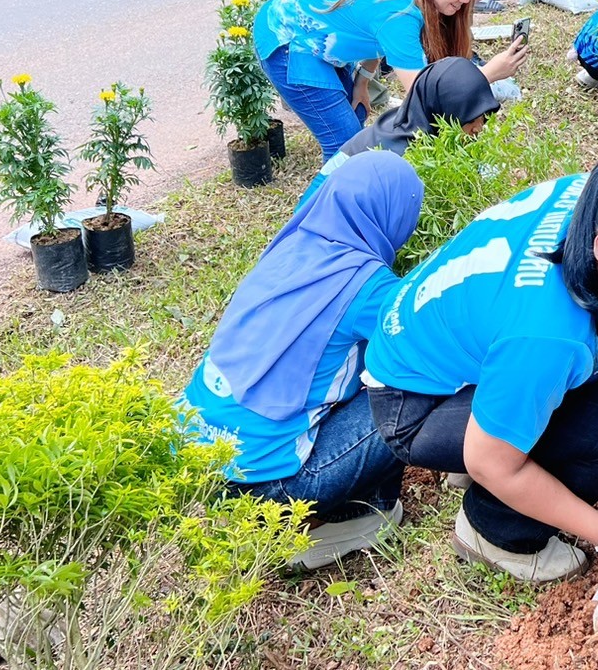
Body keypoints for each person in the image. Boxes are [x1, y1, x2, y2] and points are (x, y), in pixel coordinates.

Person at [363, 152, 598, 628]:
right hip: (417, 403)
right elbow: (489, 461)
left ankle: (506, 426)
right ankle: (495, 530)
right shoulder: (546, 334)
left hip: (456, 345)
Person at [177, 150, 422, 569]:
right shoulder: (368, 287)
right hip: (271, 487)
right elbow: (426, 348)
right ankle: (360, 517)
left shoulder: (289, 246)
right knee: (410, 388)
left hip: (198, 466)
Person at [254, 0, 526, 160]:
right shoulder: (400, 13)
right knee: (344, 145)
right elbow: (425, 97)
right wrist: (488, 73)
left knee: (356, 111)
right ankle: (330, 212)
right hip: (288, 40)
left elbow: (376, 35)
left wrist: (362, 80)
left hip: (320, 36)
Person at [297, 57, 500, 207]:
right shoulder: (405, 158)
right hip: (320, 218)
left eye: (482, 117)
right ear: (443, 112)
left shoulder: (413, 117)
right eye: (470, 119)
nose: (478, 128)